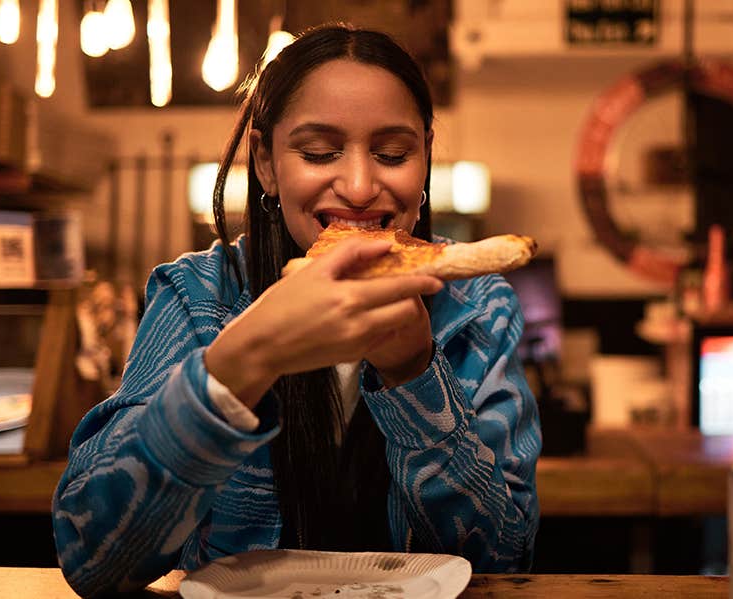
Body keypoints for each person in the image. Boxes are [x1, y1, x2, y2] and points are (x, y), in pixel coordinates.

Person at [52, 24, 540, 597]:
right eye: (318, 152)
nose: (359, 187)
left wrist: (414, 374)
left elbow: (505, 560)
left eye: (392, 154)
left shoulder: (479, 306)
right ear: (265, 161)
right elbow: (93, 559)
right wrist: (246, 359)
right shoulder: (197, 295)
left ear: (425, 158)